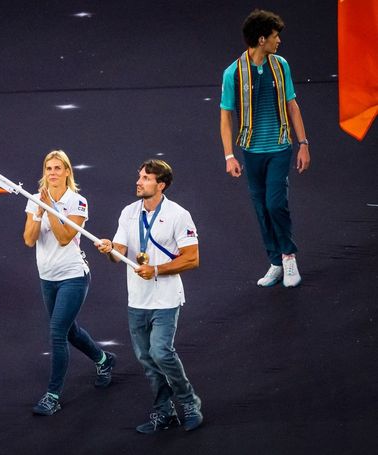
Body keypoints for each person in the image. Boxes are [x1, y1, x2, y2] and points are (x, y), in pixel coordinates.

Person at [96, 159, 203, 433]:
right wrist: (109, 248)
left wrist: (156, 269)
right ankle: (164, 411)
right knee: (146, 358)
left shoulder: (179, 215)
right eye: (139, 176)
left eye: (145, 178)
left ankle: (189, 402)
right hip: (137, 300)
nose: (139, 181)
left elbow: (192, 259)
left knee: (161, 352)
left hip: (166, 299)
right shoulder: (128, 213)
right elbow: (118, 254)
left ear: (161, 184)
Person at [219, 9, 311, 288]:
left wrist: (303, 144)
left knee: (275, 204)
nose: (279, 41)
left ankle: (288, 256)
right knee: (261, 208)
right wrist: (229, 155)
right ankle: (275, 261)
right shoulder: (233, 73)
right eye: (275, 36)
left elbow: (292, 105)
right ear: (261, 40)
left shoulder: (281, 65)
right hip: (251, 151)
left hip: (279, 147)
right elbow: (225, 116)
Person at [23, 149, 116, 416]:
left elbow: (64, 237)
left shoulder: (78, 202)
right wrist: (39, 210)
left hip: (73, 276)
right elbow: (29, 239)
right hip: (47, 277)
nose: (52, 173)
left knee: (56, 333)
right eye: (48, 169)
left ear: (67, 172)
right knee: (69, 330)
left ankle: (52, 396)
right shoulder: (34, 199)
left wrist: (50, 207)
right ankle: (104, 359)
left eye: (57, 168)